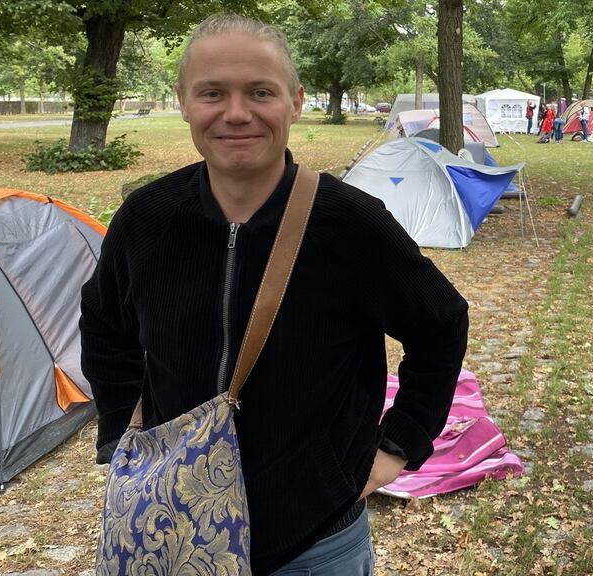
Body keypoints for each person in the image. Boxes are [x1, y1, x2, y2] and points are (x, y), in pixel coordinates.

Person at [79, 14, 468, 576]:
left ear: (295, 102)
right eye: (213, 93)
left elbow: (441, 325)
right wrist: (122, 432)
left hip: (313, 541)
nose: (236, 113)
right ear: (184, 102)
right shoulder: (146, 220)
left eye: (260, 92)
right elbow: (104, 325)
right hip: (174, 522)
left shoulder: (351, 223)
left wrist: (397, 446)